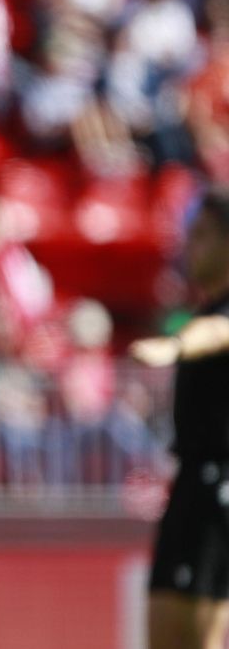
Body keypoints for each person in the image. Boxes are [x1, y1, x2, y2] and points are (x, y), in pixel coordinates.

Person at [131, 189, 229, 649]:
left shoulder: (212, 321)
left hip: (219, 484)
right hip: (191, 480)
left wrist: (175, 346)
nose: (191, 245)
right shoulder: (205, 309)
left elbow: (218, 333)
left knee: (200, 633)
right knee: (164, 627)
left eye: (203, 235)